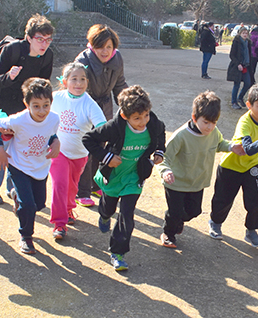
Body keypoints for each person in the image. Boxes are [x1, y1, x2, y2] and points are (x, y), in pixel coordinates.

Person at [82, 86, 166, 271]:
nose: (143, 121)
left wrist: (160, 150)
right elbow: (88, 139)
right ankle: (104, 215)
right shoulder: (114, 127)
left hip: (134, 177)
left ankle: (117, 253)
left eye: (146, 115)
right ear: (125, 116)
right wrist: (106, 157)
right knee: (108, 208)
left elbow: (161, 132)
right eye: (137, 118)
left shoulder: (152, 122)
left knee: (127, 216)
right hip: (113, 177)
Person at [158, 91, 245, 248]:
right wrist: (165, 172)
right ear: (194, 118)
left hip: (197, 182)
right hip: (175, 182)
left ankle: (177, 220)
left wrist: (232, 146)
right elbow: (164, 157)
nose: (210, 127)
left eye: (214, 122)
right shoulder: (181, 136)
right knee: (175, 212)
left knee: (194, 211)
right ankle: (168, 233)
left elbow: (219, 144)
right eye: (205, 122)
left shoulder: (213, 132)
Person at [0, 14, 54, 205]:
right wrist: (10, 77)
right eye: (40, 39)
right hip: (2, 104)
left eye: (48, 39)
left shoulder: (47, 55)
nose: (44, 43)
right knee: (3, 144)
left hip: (23, 107)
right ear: (29, 37)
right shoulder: (12, 50)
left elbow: (43, 85)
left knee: (20, 145)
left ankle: (12, 188)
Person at [0, 78, 60, 254]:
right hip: (18, 165)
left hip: (40, 167)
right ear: (26, 103)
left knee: (38, 205)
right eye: (36, 106)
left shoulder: (53, 118)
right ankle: (26, 237)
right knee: (28, 206)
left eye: (46, 105)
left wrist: (56, 141)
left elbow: (49, 134)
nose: (41, 110)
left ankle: (16, 195)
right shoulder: (18, 120)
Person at [208, 83, 258, 247]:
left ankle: (251, 230)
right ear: (249, 105)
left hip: (252, 167)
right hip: (231, 166)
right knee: (223, 199)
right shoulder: (244, 122)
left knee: (257, 200)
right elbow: (247, 148)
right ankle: (215, 222)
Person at [48, 62, 106, 239]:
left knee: (72, 187)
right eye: (74, 79)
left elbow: (103, 126)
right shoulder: (54, 97)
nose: (79, 83)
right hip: (58, 151)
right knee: (60, 184)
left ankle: (68, 210)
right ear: (65, 82)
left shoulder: (89, 103)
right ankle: (59, 224)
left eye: (82, 79)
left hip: (80, 154)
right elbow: (35, 110)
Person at [74, 24, 128, 207]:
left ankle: (96, 183)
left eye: (109, 47)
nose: (105, 51)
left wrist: (128, 106)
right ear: (91, 45)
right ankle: (82, 191)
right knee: (86, 149)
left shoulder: (117, 58)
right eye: (100, 47)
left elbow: (120, 85)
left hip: (105, 107)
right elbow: (77, 89)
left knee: (101, 146)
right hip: (85, 107)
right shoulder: (82, 60)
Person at [227, 27, 252, 110]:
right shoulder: (236, 42)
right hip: (237, 66)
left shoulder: (248, 42)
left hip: (246, 65)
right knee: (236, 84)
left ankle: (240, 97)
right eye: (243, 33)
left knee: (248, 83)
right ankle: (234, 102)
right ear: (240, 33)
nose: (245, 34)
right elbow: (232, 55)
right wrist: (238, 64)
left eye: (246, 33)